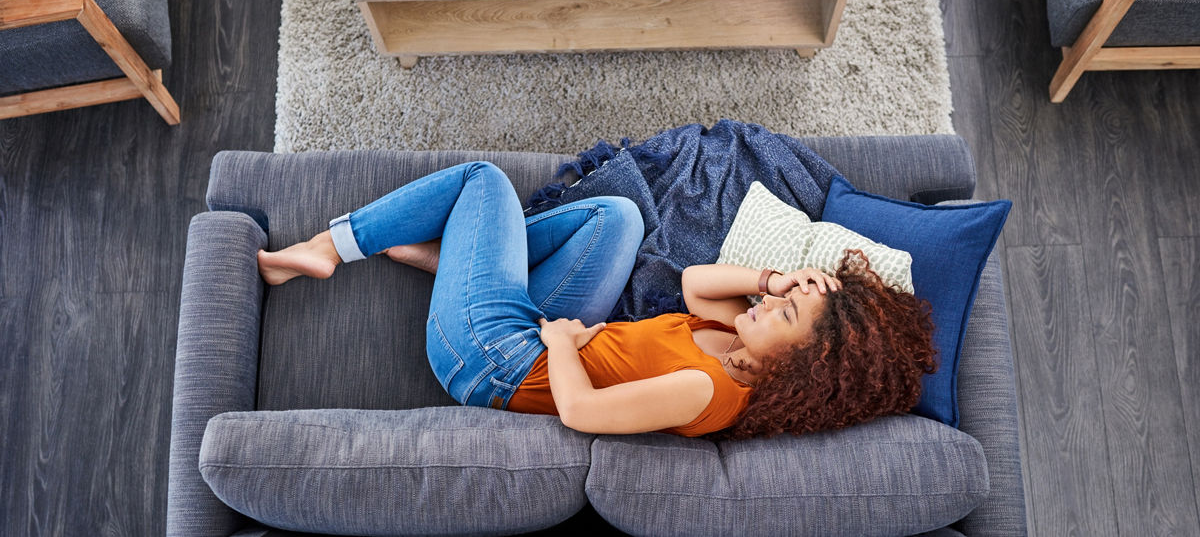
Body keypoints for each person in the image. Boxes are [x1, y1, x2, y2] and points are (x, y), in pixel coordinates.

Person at [258, 161, 937, 440]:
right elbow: (698, 281)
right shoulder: (739, 345)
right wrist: (774, 283)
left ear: (803, 367)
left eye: (784, 318)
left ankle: (333, 247)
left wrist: (558, 344)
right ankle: (457, 263)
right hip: (539, 332)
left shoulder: (709, 392)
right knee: (617, 219)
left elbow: (580, 413)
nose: (767, 310)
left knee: (483, 180)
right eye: (781, 304)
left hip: (497, 360)